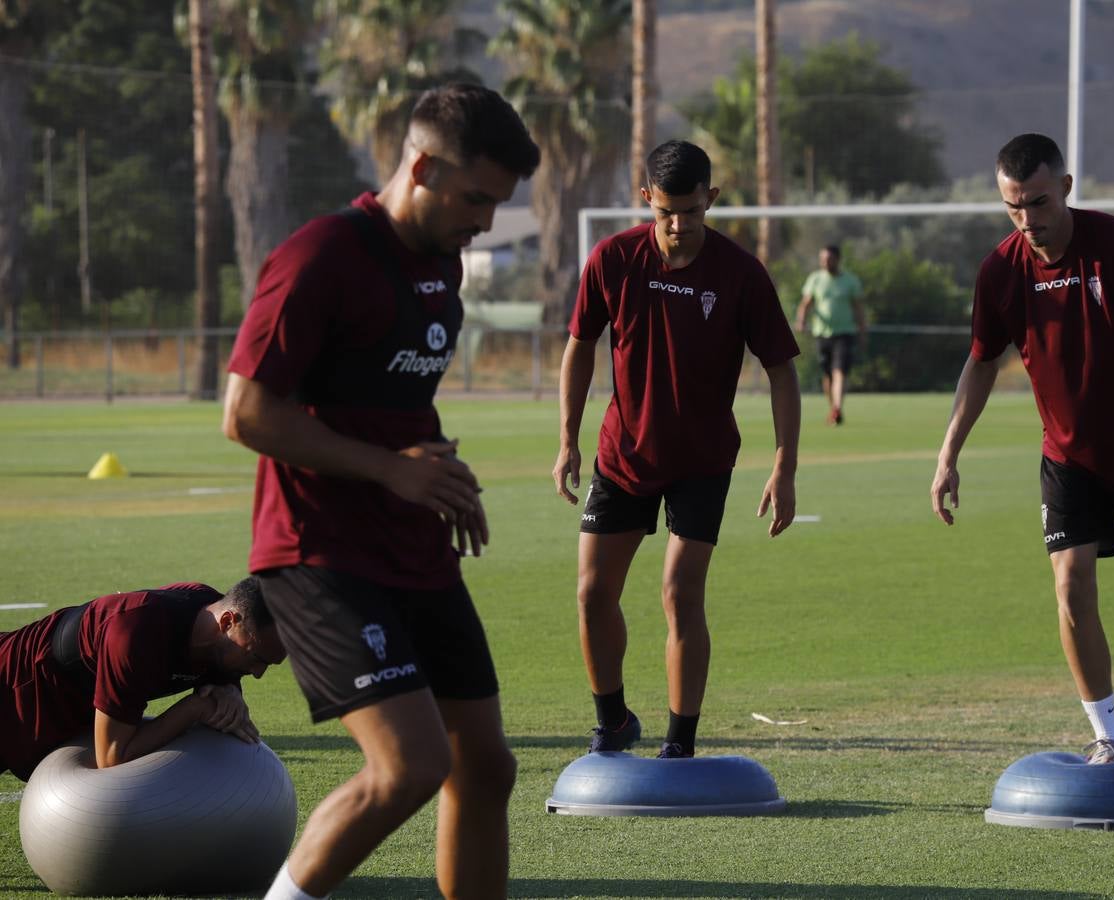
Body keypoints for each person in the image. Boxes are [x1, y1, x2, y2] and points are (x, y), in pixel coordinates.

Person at [222, 84, 539, 900]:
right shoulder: (322, 255)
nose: (486, 223)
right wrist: (394, 469)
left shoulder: (441, 264)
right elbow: (247, 412)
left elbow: (387, 402)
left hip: (412, 546)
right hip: (317, 549)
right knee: (411, 766)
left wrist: (438, 469)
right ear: (422, 165)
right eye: (476, 198)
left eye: (498, 205)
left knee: (486, 765)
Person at [929, 133, 1114, 766]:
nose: (1027, 219)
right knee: (1071, 586)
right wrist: (949, 453)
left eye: (1037, 201)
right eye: (1013, 207)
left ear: (1065, 187)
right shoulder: (1001, 270)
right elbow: (980, 363)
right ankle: (1106, 735)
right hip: (1068, 459)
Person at [552, 140, 801, 760]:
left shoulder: (741, 273)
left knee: (679, 592)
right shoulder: (613, 259)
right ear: (647, 202)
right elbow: (580, 345)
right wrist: (567, 439)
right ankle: (612, 720)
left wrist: (784, 465)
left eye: (691, 211)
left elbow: (781, 371)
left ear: (710, 200)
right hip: (623, 456)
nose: (678, 225)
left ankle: (680, 744)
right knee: (590, 594)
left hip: (703, 461)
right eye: (666, 212)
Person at [0, 578, 284, 782]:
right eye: (257, 658)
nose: (258, 674)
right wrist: (194, 709)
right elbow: (112, 758)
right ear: (226, 622)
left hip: (63, 701)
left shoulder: (217, 631)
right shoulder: (136, 634)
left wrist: (229, 691)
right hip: (15, 687)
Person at [795, 244, 866, 425]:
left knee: (839, 371)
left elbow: (858, 308)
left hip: (844, 333)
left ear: (837, 259)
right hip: (822, 334)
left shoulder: (850, 281)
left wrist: (862, 329)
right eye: (823, 259)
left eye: (829, 259)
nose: (825, 263)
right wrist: (801, 320)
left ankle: (837, 408)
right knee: (827, 375)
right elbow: (806, 303)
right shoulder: (816, 279)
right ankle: (833, 408)